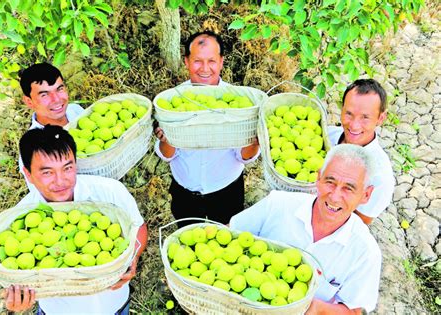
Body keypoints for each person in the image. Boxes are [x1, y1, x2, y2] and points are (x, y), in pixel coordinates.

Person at [4, 125, 148, 314]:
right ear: (28, 174)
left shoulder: (110, 191)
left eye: (67, 168)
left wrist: (134, 257)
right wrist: (19, 299)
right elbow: (19, 277)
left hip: (116, 306)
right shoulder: (21, 219)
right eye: (47, 172)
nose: (60, 180)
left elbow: (139, 227)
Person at [230, 144, 382, 314]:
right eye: (330, 182)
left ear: (366, 195)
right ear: (318, 178)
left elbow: (354, 310)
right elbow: (228, 234)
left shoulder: (366, 252)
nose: (335, 196)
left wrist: (315, 308)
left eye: (348, 188)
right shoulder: (277, 204)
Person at [154, 31, 260, 227]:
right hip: (185, 191)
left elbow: (244, 157)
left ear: (221, 62)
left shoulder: (238, 102)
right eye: (197, 61)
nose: (204, 69)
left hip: (226, 190)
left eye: (211, 61)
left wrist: (254, 141)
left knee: (226, 245)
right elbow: (167, 155)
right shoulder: (174, 101)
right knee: (187, 244)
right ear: (186, 61)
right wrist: (166, 140)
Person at [328, 79, 395, 224]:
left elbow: (359, 222)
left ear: (380, 118)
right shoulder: (327, 135)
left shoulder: (380, 177)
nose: (354, 125)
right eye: (349, 114)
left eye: (365, 117)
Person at [19, 62, 85, 190]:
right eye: (44, 94)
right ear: (29, 101)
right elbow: (46, 195)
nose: (56, 99)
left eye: (59, 89)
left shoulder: (75, 111)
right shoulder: (34, 148)